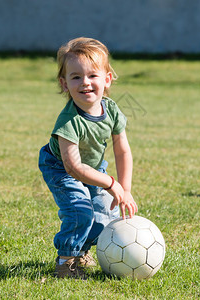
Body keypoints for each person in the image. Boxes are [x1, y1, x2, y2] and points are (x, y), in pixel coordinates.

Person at [38, 37, 138, 279]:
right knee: (80, 210)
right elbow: (73, 167)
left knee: (106, 213)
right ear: (64, 84)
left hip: (93, 167)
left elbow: (122, 150)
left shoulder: (111, 109)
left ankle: (82, 250)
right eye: (76, 77)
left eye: (93, 75)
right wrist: (111, 184)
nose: (85, 83)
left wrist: (125, 189)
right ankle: (66, 261)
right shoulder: (69, 122)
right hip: (61, 168)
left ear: (107, 79)